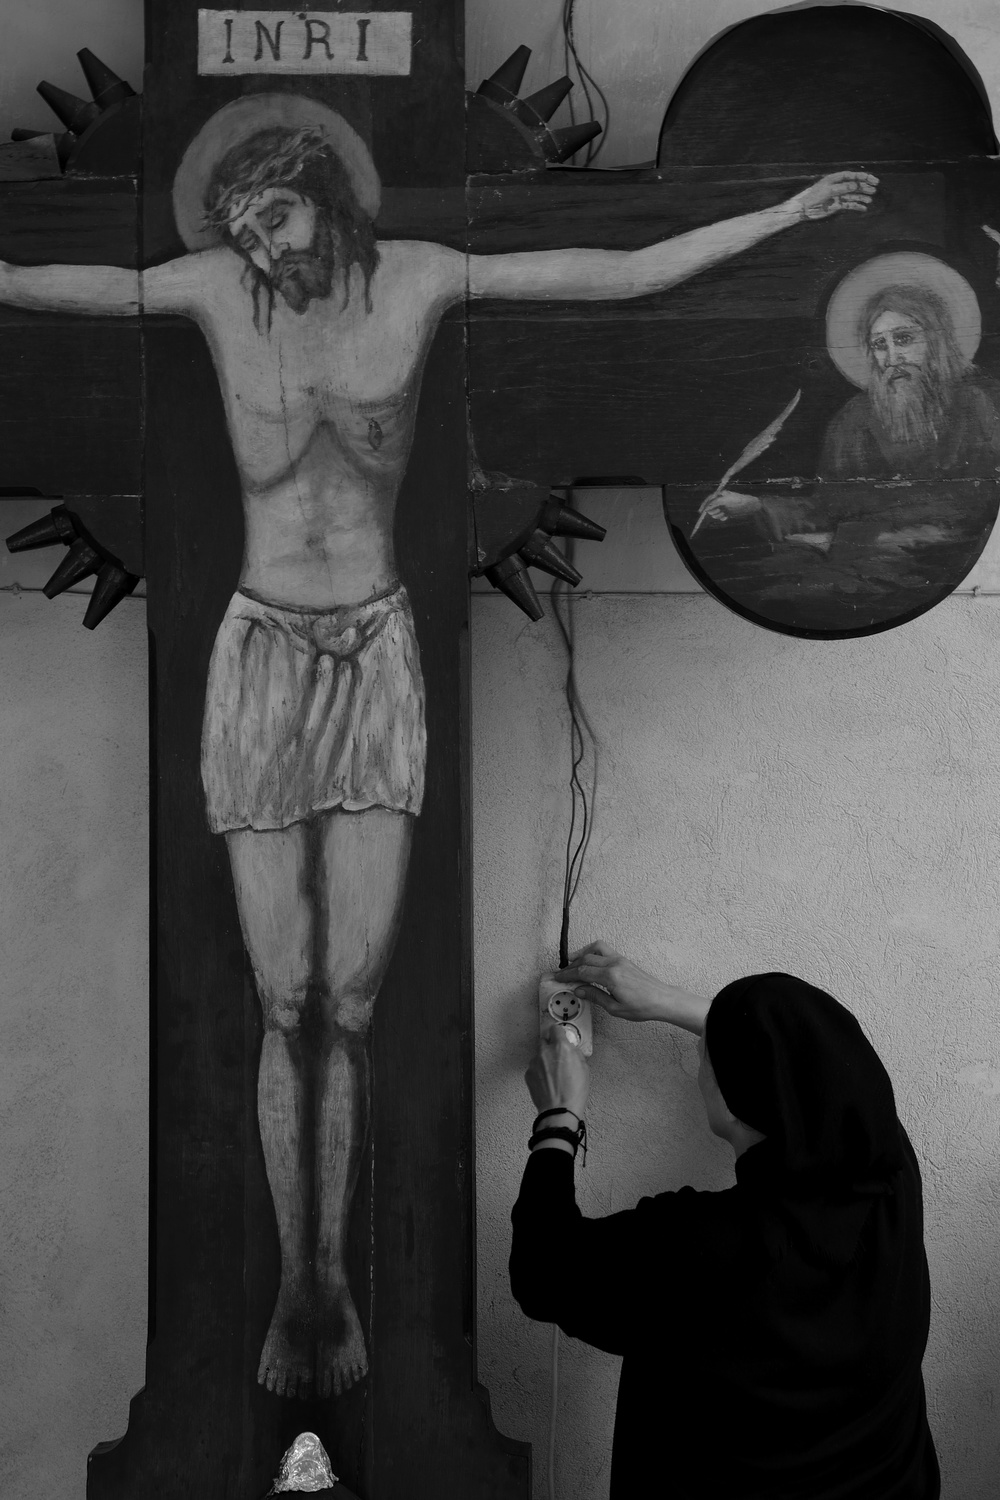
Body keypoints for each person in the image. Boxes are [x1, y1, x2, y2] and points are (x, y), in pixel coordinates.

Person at [0, 89, 876, 1400]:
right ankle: (300, 1280)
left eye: (275, 214)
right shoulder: (212, 292)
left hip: (375, 653)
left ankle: (329, 1283)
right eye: (241, 229)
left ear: (323, 195)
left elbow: (611, 271)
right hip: (260, 654)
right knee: (278, 998)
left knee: (350, 1002)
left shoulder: (416, 279)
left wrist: (782, 213)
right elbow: (59, 287)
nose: (261, 246)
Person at [513, 941, 940, 1499]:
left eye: (707, 1058)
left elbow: (545, 1273)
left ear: (730, 1106)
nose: (701, 1063)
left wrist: (557, 1118)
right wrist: (667, 1001)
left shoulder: (696, 1246)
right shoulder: (889, 1180)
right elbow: (827, 1067)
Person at [701, 253, 1000, 614]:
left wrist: (844, 540)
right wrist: (757, 506)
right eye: (879, 345)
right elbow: (828, 507)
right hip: (850, 555)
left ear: (936, 341)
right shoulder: (853, 419)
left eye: (904, 338)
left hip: (925, 563)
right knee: (772, 577)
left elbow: (972, 511)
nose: (891, 358)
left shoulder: (977, 405)